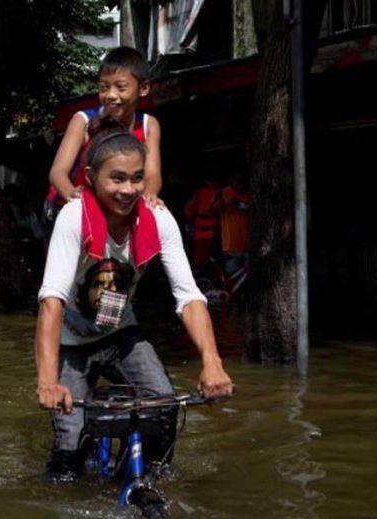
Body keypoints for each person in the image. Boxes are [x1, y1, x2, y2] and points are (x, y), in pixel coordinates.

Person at [36, 124, 233, 481]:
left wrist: (212, 362)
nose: (128, 190)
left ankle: (148, 481)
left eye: (137, 178)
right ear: (93, 178)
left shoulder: (157, 218)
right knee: (70, 447)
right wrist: (48, 381)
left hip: (120, 333)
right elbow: (52, 300)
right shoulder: (73, 217)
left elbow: (189, 297)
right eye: (117, 179)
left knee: (163, 405)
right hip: (71, 343)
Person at [46, 46, 163, 227]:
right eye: (103, 87)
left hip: (113, 212)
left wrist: (150, 196)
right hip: (70, 208)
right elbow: (57, 172)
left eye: (120, 87)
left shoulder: (149, 125)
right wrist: (73, 197)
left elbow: (153, 174)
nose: (110, 95)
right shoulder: (82, 121)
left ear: (144, 88)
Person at [211, 173, 251, 277]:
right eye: (236, 180)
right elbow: (213, 210)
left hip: (247, 247)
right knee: (233, 280)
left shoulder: (250, 194)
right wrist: (226, 204)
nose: (239, 183)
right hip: (232, 248)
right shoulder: (224, 193)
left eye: (241, 180)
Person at [184, 178, 219, 273]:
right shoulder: (218, 193)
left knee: (199, 260)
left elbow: (188, 212)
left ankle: (199, 275)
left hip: (199, 232)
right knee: (213, 259)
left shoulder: (198, 193)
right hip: (213, 232)